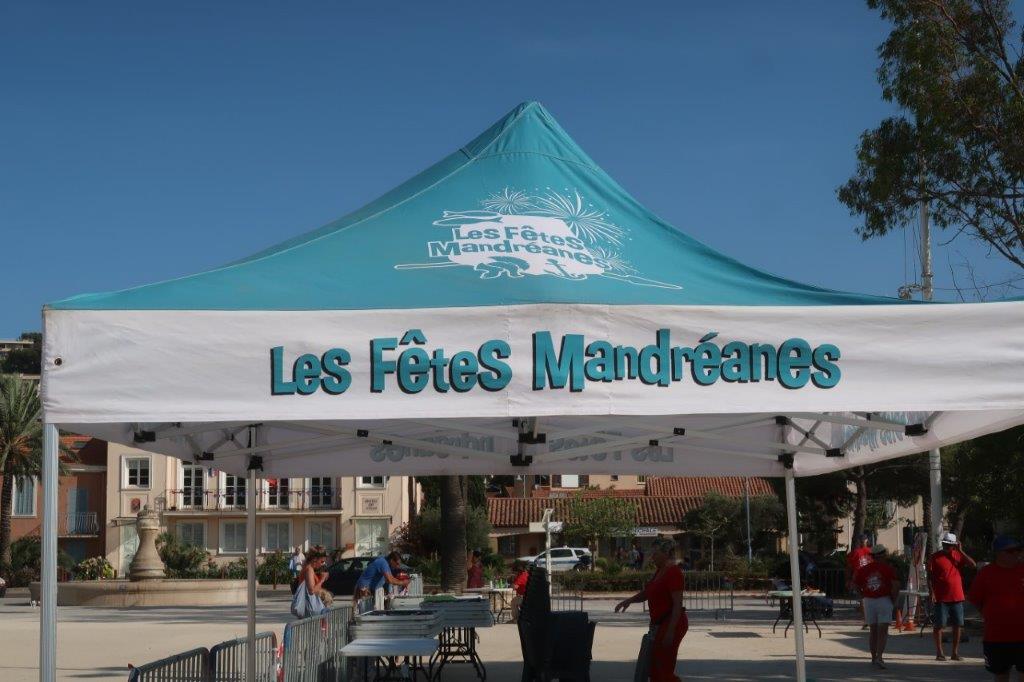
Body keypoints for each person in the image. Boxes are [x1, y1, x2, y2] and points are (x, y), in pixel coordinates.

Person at [615, 540, 688, 682]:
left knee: (663, 669)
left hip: (671, 624)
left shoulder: (673, 572)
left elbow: (677, 605)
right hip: (659, 625)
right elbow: (648, 592)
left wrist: (670, 632)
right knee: (654, 668)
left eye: (655, 553)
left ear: (666, 553)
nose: (652, 557)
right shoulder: (660, 571)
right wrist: (629, 601)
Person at [968, 535, 1024, 680]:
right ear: (998, 553)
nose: (1017, 554)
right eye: (1011, 551)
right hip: (996, 637)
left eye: (1019, 550)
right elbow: (975, 599)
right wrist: (990, 614)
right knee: (1001, 675)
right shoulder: (986, 573)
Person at [928, 531, 977, 661]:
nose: (946, 547)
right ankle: (939, 653)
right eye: (945, 544)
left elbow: (973, 565)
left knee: (957, 625)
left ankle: (955, 653)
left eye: (949, 545)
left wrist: (961, 551)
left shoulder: (957, 555)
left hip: (957, 596)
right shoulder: (935, 557)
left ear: (954, 545)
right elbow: (930, 577)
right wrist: (931, 592)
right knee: (939, 625)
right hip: (941, 597)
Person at [853, 544, 900, 669]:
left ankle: (873, 658)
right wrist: (893, 600)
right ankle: (879, 657)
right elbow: (895, 585)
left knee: (873, 631)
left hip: (868, 600)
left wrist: (863, 595)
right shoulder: (888, 569)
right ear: (883, 555)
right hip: (884, 599)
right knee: (882, 631)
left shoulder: (863, 569)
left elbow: (856, 584)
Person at [290, 548, 329, 618]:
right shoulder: (309, 569)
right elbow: (311, 591)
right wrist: (322, 579)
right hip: (309, 609)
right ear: (315, 559)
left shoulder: (308, 568)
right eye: (322, 561)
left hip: (308, 608)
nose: (322, 564)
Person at [846, 535, 873, 629]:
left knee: (862, 599)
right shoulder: (872, 552)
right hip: (870, 578)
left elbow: (849, 567)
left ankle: (866, 620)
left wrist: (848, 579)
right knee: (871, 598)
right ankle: (871, 620)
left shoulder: (855, 552)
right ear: (867, 541)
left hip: (860, 578)